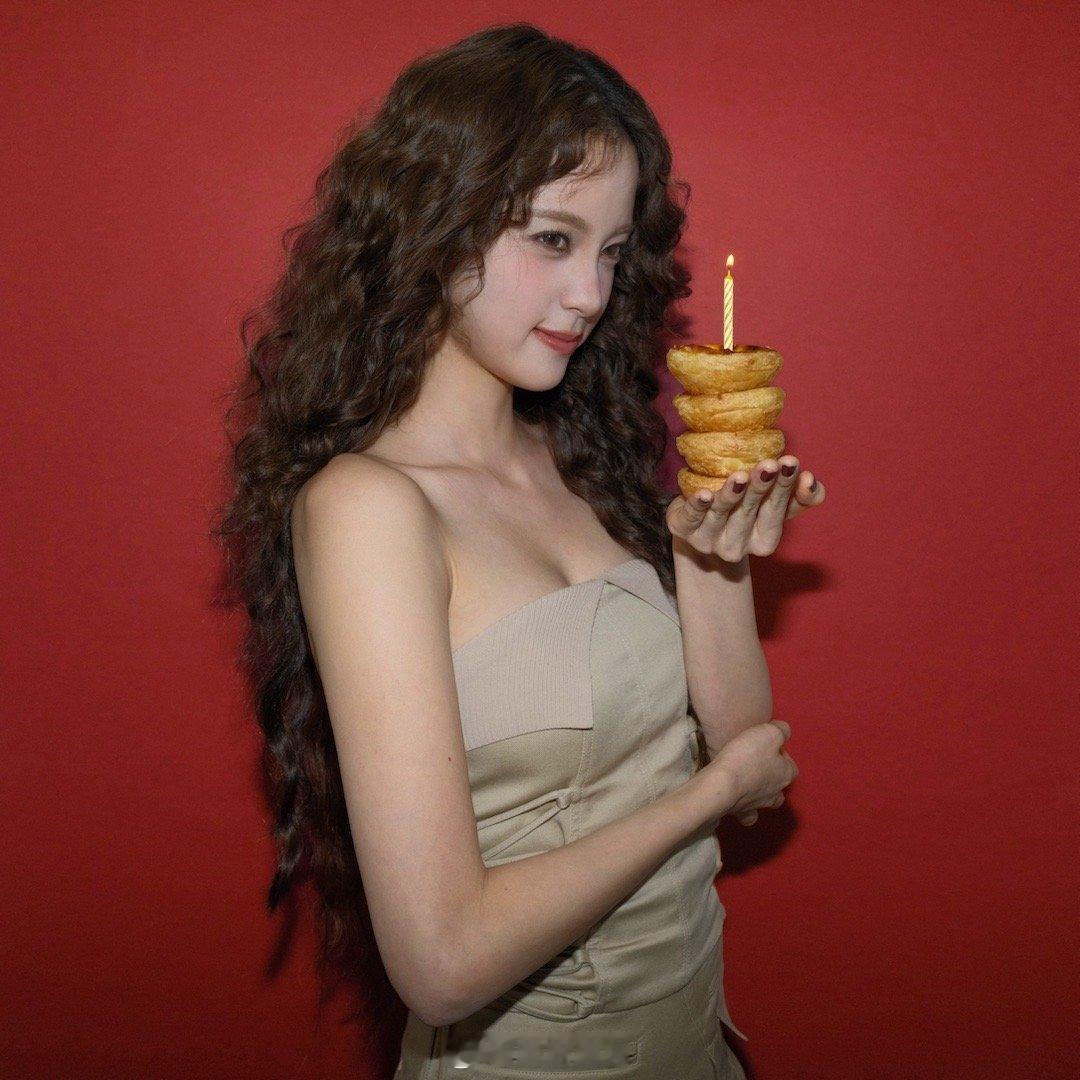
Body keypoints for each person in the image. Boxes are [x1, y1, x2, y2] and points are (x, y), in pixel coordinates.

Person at [213, 22, 824, 1080]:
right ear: (434, 222)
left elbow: (746, 752)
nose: (590, 294)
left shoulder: (579, 460)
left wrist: (712, 561)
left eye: (612, 251)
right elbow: (442, 964)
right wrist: (705, 800)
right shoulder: (368, 507)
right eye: (551, 238)